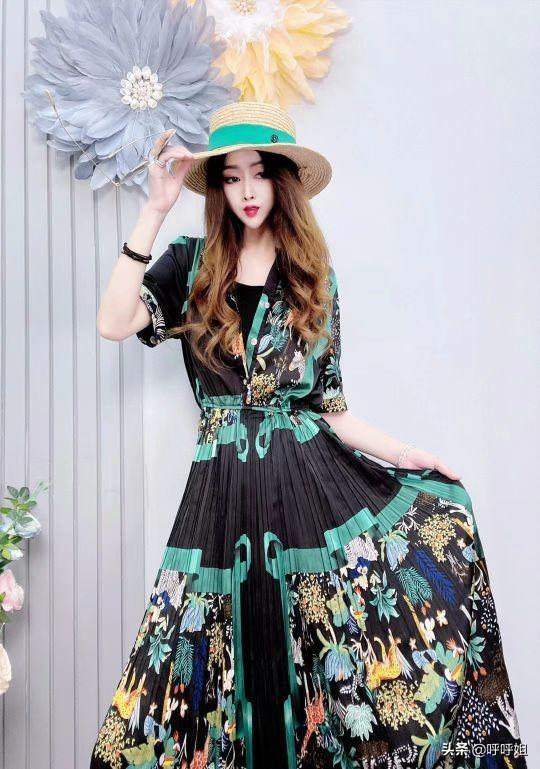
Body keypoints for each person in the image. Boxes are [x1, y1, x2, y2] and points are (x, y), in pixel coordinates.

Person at [90, 102, 527, 769]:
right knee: (211, 662)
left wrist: (405, 454)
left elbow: (331, 408)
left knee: (317, 669)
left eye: (258, 173)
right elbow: (114, 322)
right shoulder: (190, 266)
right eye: (231, 177)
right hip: (221, 495)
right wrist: (154, 209)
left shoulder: (312, 280)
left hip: (305, 495)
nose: (246, 190)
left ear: (282, 181)